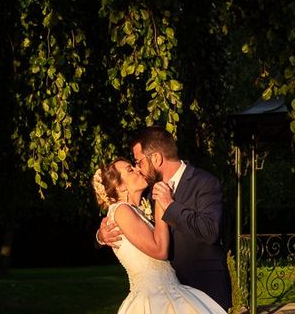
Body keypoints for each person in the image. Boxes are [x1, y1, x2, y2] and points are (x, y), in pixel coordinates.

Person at [97, 126, 232, 311]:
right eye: (132, 167)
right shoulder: (146, 197)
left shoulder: (204, 182)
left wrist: (168, 205)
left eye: (138, 162)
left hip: (203, 288)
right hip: (161, 297)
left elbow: (211, 232)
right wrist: (101, 236)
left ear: (157, 158)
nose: (138, 168)